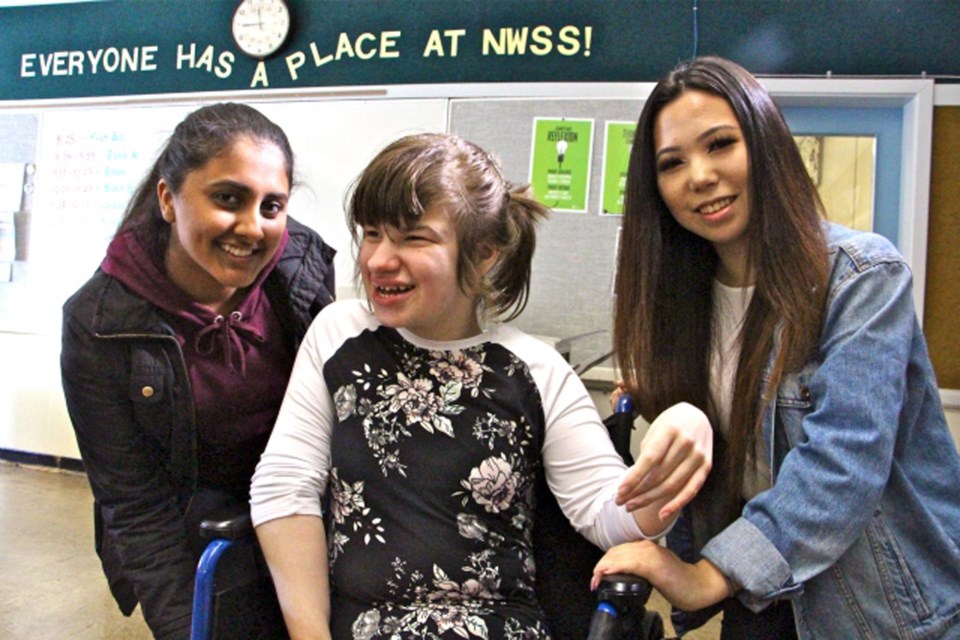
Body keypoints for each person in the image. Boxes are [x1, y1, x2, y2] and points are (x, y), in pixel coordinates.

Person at [249, 132, 712, 639]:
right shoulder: (338, 336)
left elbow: (608, 515)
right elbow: (284, 487)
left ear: (484, 253)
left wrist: (683, 433)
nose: (379, 259)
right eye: (373, 233)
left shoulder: (535, 370)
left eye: (413, 237)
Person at [591, 55, 960, 639]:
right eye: (672, 163)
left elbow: (844, 462)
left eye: (719, 144)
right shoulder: (679, 307)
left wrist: (708, 575)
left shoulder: (862, 277)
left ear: (764, 143)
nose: (700, 176)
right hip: (762, 602)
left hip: (878, 607)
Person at [60, 102, 336, 640]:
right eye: (227, 198)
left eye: (272, 205)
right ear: (168, 198)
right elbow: (136, 507)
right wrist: (187, 627)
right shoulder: (98, 324)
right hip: (199, 541)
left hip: (304, 518)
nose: (252, 227)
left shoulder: (299, 269)